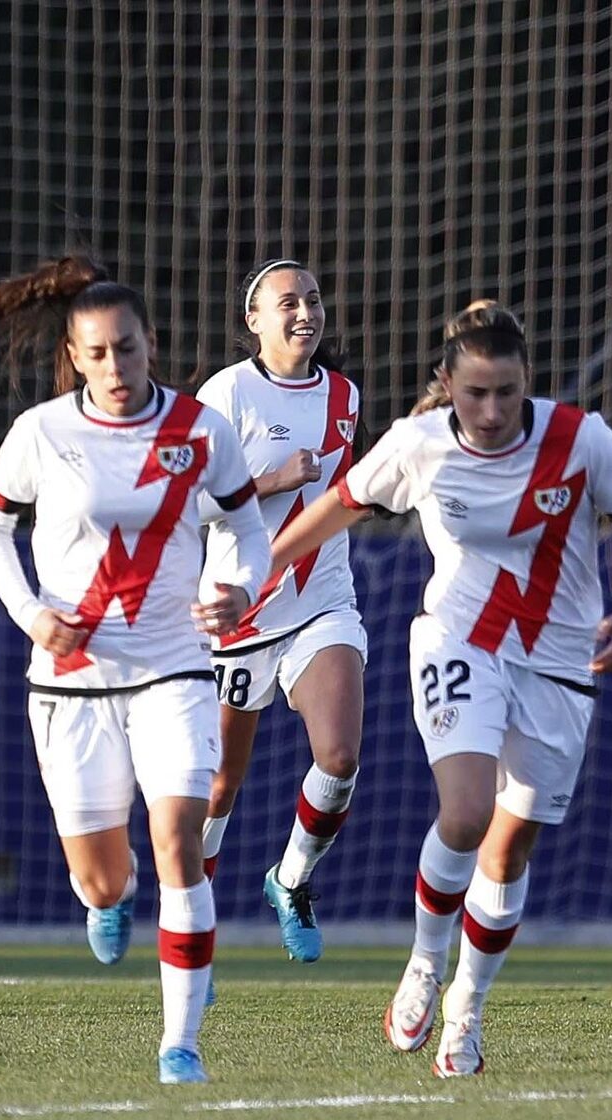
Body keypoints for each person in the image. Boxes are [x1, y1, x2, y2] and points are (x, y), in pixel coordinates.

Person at [264, 301, 612, 1077]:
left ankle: (466, 1011)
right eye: (474, 392)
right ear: (446, 384)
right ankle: (423, 964)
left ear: (526, 385)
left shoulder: (580, 440)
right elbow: (337, 508)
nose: (490, 410)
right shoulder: (417, 446)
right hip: (459, 643)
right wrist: (256, 571)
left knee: (507, 856)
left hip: (559, 663)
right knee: (468, 810)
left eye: (506, 393)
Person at [0, 255, 269, 1083]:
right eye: (96, 354)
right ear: (75, 355)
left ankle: (181, 1044)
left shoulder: (201, 430)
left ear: (151, 345)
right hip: (71, 681)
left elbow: (246, 525)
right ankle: (109, 896)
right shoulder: (42, 433)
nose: (114, 367)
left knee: (180, 840)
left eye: (126, 349)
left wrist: (236, 586)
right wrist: (34, 615)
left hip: (173, 668)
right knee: (102, 880)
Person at [196, 258, 366, 963]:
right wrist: (268, 478)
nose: (305, 312)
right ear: (254, 321)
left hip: (322, 600)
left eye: (314, 299)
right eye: (288, 302)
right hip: (238, 611)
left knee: (340, 753)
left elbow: (338, 501)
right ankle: (190, 908)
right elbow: (186, 500)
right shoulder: (225, 393)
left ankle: (290, 880)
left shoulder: (346, 396)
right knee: (219, 781)